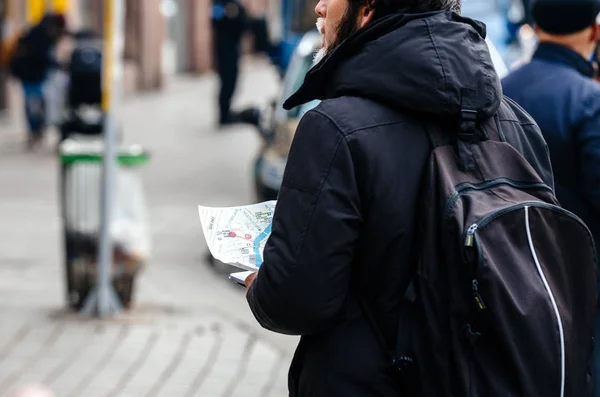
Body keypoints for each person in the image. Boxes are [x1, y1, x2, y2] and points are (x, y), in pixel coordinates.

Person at [243, 0, 555, 395]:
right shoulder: (518, 123)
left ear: (368, 7)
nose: (319, 7)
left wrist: (262, 285)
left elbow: (297, 300)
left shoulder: (333, 128)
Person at [502, 0, 600, 394]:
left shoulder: (499, 92)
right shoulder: (589, 103)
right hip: (582, 290)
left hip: (506, 279)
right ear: (595, 32)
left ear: (535, 26)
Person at [9, 13, 67, 149]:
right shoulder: (41, 36)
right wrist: (57, 65)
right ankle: (35, 131)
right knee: (35, 104)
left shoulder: (35, 32)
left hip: (30, 75)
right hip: (33, 76)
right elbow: (43, 57)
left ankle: (36, 131)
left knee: (34, 104)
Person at [211, 0, 248, 126]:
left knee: (232, 80)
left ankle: (227, 111)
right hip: (223, 50)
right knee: (226, 81)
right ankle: (223, 115)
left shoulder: (236, 5)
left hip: (233, 48)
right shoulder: (219, 4)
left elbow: (244, 23)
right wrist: (228, 14)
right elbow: (215, 20)